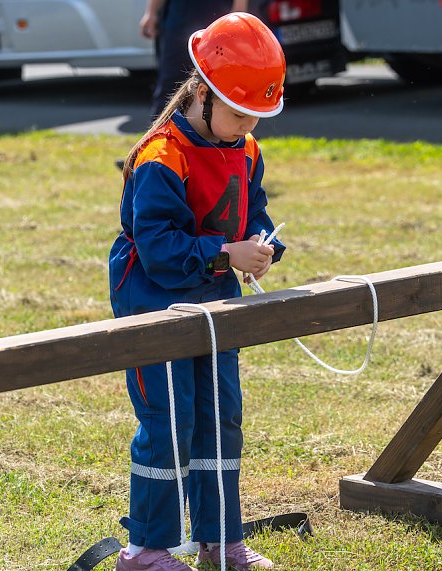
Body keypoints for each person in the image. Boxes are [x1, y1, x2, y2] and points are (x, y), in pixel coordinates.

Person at [108, 12, 287, 571]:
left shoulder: (246, 149)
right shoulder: (161, 157)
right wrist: (222, 254)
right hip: (154, 301)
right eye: (240, 114)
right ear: (203, 95)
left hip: (215, 299)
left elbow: (251, 215)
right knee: (169, 422)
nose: (248, 128)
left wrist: (261, 245)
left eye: (258, 117)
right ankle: (146, 549)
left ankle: (220, 539)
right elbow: (160, 250)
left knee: (219, 415)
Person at [139, 0, 249, 120]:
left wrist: (238, 10)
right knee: (169, 86)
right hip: (178, 21)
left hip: (216, 20)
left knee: (218, 88)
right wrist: (151, 12)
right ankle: (160, 135)